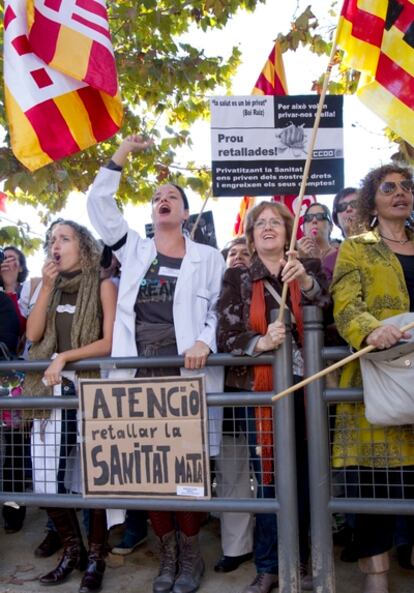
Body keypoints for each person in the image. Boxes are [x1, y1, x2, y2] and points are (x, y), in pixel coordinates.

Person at [87, 134, 225, 593]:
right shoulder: (134, 249)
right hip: (137, 373)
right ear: (153, 214)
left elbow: (218, 310)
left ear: (186, 213)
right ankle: (167, 553)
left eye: (172, 197)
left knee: (185, 469)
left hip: (184, 372)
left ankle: (190, 555)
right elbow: (99, 203)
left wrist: (205, 341)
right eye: (156, 198)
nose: (162, 200)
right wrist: (122, 153)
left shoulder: (209, 258)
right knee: (146, 468)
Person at [217, 201, 329, 593]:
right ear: (251, 235)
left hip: (307, 390)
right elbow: (226, 336)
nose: (267, 228)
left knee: (306, 476)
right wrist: (260, 341)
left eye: (275, 223)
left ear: (287, 230)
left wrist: (309, 285)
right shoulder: (236, 277)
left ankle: (303, 561)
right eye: (259, 224)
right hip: (260, 394)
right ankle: (269, 566)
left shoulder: (307, 269)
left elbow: (328, 317)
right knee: (268, 480)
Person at [330, 164, 414, 593]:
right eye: (388, 187)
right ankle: (376, 581)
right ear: (372, 201)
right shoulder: (357, 247)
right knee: (374, 490)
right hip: (376, 381)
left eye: (406, 186)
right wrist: (370, 328)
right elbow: (344, 305)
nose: (400, 193)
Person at [24, 220, 117, 592]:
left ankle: (96, 558)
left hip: (91, 390)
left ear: (84, 245)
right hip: (51, 393)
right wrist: (46, 287)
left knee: (96, 478)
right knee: (46, 478)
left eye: (64, 238)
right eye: (51, 241)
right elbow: (32, 337)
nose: (55, 246)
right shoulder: (49, 286)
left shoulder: (104, 285)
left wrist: (65, 356)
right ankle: (71, 550)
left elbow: (108, 342)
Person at [214, 237, 255, 574]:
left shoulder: (262, 288)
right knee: (233, 471)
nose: (239, 257)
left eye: (245, 253)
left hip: (265, 388)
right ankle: (237, 547)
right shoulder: (213, 293)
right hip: (226, 392)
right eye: (232, 253)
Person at [0, 245, 29, 533]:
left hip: (15, 379)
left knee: (16, 447)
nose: (6, 263)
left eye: (12, 259)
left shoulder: (26, 291)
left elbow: (21, 330)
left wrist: (9, 289)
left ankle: (14, 508)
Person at [297, 203, 337, 281]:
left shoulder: (342, 254)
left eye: (320, 216)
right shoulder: (295, 258)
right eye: (308, 218)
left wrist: (317, 262)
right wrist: (302, 260)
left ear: (331, 227)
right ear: (303, 229)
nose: (314, 220)